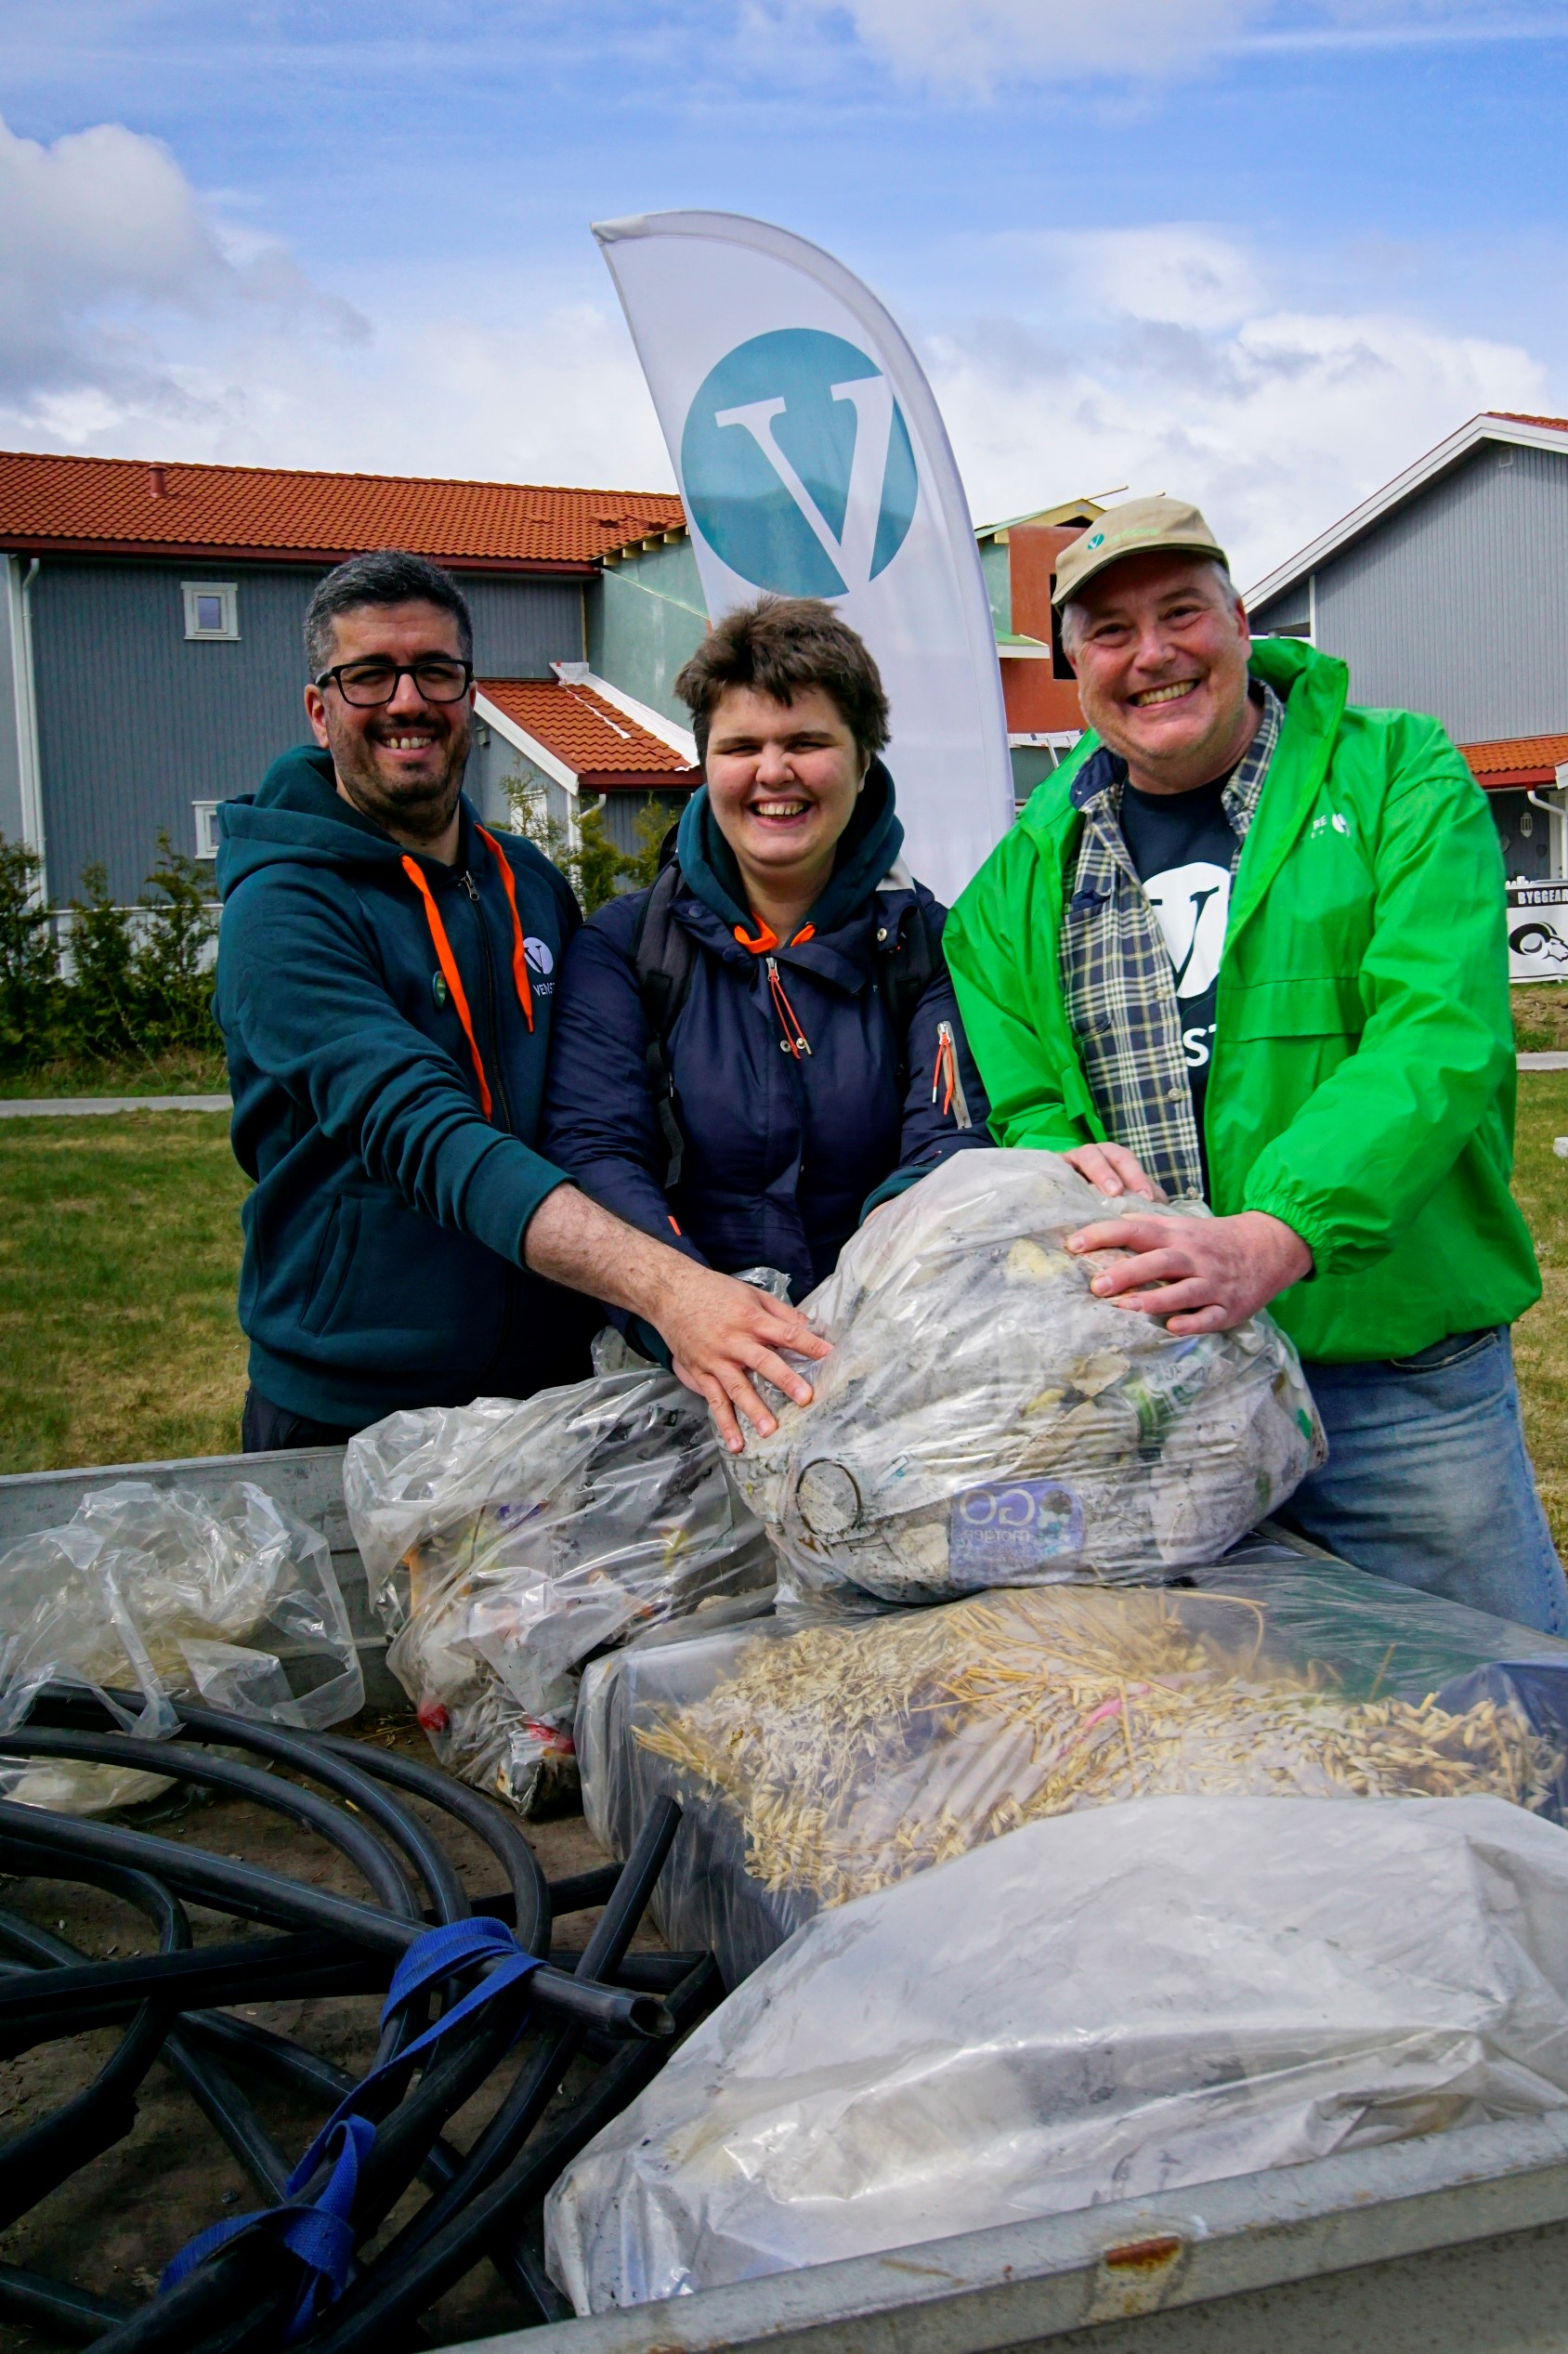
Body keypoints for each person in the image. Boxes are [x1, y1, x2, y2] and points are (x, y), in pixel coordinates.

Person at [944, 494, 1568, 1633]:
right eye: (1110, 631)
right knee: (1247, 1746)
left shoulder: (1396, 775)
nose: (1152, 654)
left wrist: (1272, 1234)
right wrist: (1059, 1174)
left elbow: (1438, 1037)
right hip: (1156, 1401)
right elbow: (1030, 1115)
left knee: (1500, 1720)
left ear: (1240, 620)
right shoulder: (1009, 889)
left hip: (1395, 1385)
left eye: (1180, 612)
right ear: (1070, 666)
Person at [214, 549, 828, 1458]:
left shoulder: (529, 882)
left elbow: (604, 1102)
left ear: (468, 693)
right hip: (352, 1409)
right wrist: (668, 1290)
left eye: (435, 670)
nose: (406, 699)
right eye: (368, 674)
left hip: (547, 1391)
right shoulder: (282, 908)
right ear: (320, 707)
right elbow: (424, 1132)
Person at [541, 595, 989, 1337]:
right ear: (706, 762)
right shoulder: (624, 947)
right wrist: (680, 1303)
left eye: (807, 741)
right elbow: (597, 1151)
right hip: (683, 1356)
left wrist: (855, 1320)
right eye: (741, 747)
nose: (773, 773)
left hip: (887, 1345)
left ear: (864, 757)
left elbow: (950, 1148)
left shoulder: (935, 949)